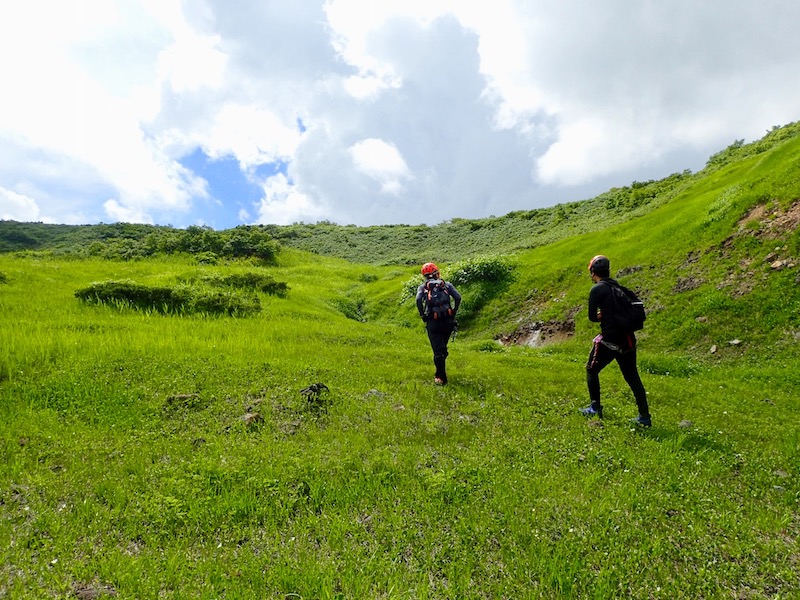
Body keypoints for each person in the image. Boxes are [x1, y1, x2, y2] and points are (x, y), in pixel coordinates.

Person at [581, 255, 652, 427]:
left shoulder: (597, 290)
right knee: (632, 377)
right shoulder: (618, 288)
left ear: (592, 272)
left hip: (610, 340)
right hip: (628, 339)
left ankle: (595, 407)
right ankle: (644, 417)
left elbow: (592, 317)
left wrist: (602, 316)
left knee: (591, 369)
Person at [416, 262, 461, 385]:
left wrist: (422, 315)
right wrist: (454, 311)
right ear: (437, 272)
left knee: (438, 352)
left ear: (424, 275)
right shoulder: (446, 285)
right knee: (442, 350)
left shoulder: (423, 287)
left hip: (433, 322)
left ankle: (441, 378)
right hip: (447, 321)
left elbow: (418, 300)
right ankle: (439, 373)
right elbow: (458, 297)